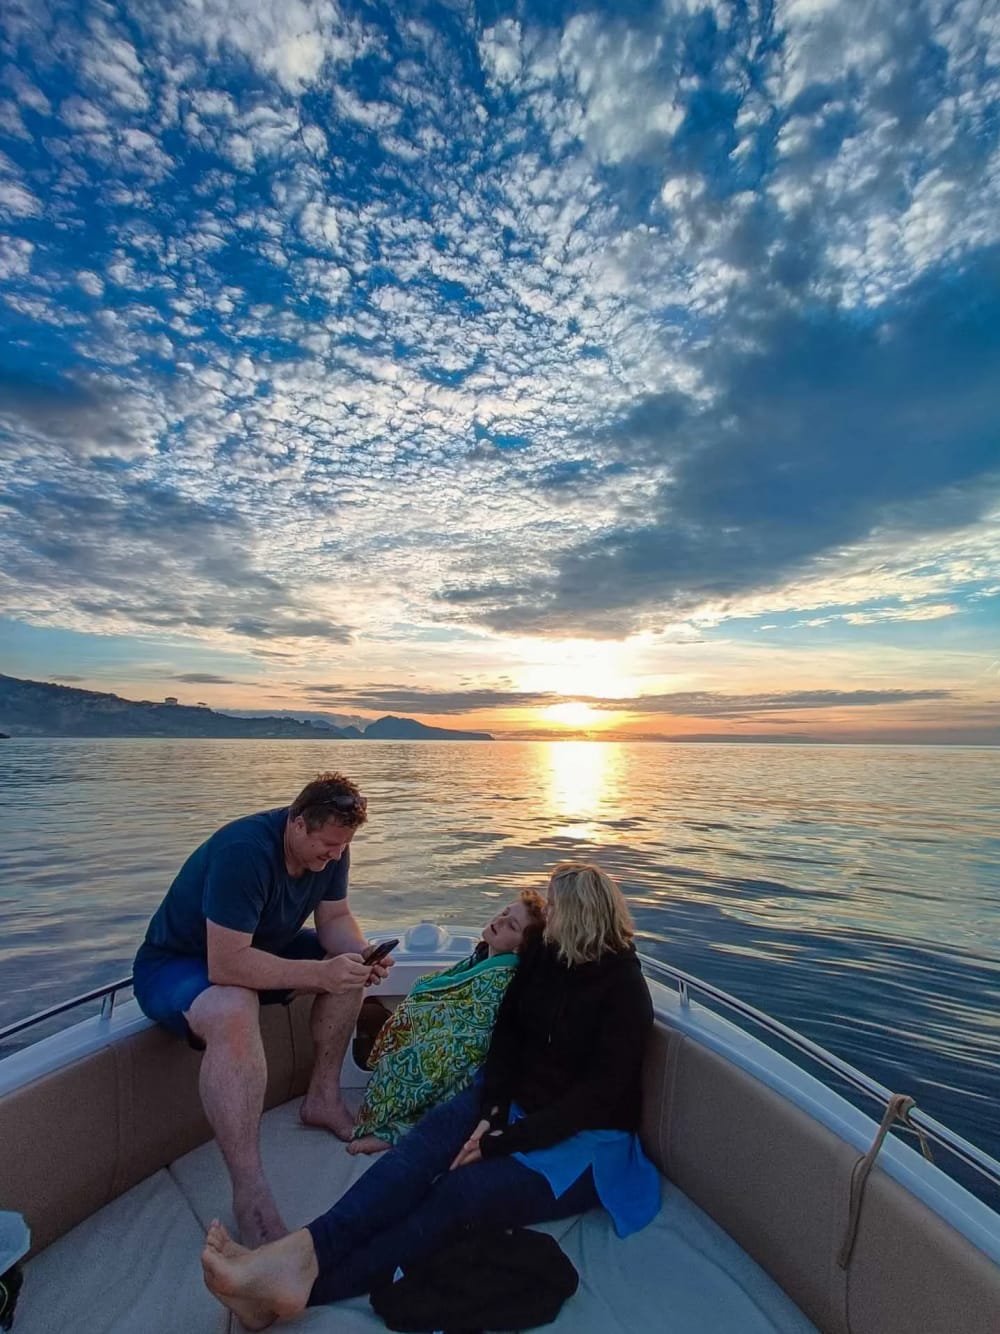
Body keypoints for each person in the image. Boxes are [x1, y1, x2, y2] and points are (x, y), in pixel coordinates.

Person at [201, 862, 661, 1329]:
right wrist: (492, 1113)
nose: (550, 918)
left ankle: (291, 1291)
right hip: (514, 1103)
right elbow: (508, 1038)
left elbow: (595, 1101)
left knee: (455, 1194)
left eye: (558, 908)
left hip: (584, 1143)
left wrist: (500, 1142)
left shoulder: (624, 991)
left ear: (583, 918)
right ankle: (298, 1252)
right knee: (414, 1158)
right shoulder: (547, 955)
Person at [133, 772, 390, 1247]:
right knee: (235, 1003)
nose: (334, 856)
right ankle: (250, 1194)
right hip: (178, 964)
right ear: (296, 822)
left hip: (260, 947)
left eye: (342, 847)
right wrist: (318, 974)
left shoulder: (332, 847)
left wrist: (357, 954)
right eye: (328, 846)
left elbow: (333, 918)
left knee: (347, 967)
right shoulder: (245, 851)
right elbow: (227, 964)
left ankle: (323, 1098)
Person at [349, 891, 547, 1155]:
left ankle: (398, 1131)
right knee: (376, 1020)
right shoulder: (480, 958)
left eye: (512, 925)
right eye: (504, 913)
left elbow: (474, 1029)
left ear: (521, 947)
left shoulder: (503, 977)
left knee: (428, 1057)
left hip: (464, 1056)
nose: (499, 921)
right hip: (439, 1037)